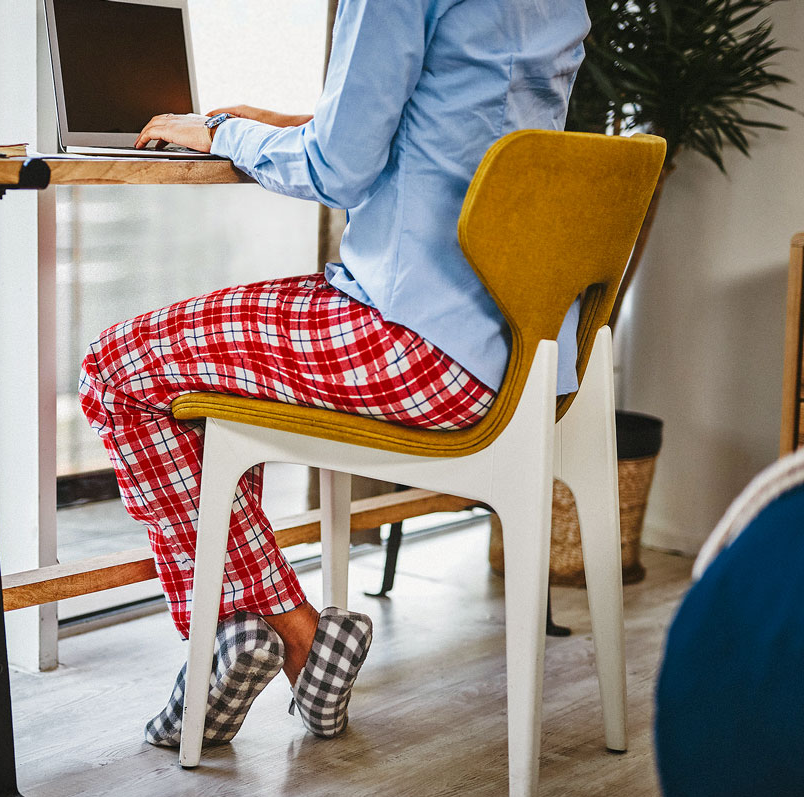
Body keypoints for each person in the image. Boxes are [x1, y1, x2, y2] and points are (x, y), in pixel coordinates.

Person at [79, 0, 590, 747]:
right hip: (524, 353)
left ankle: (283, 629)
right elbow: (446, 132)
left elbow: (337, 170)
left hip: (415, 342)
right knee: (199, 373)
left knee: (118, 367)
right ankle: (256, 628)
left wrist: (220, 132)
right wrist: (282, 124)